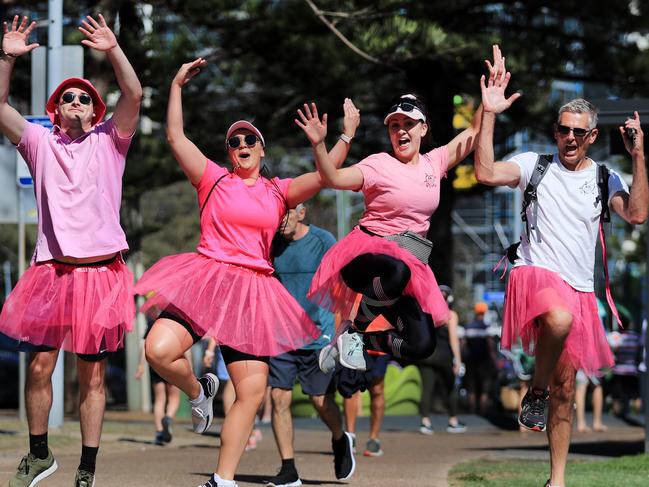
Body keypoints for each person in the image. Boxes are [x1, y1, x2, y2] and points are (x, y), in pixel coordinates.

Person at [135, 57, 359, 487]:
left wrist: (338, 137)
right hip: (206, 279)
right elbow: (175, 135)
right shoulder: (213, 180)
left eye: (249, 139)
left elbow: (328, 176)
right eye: (234, 139)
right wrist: (177, 85)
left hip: (251, 291)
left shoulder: (279, 191)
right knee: (158, 350)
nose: (241, 143)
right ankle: (199, 392)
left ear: (261, 150)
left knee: (252, 393)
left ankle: (223, 479)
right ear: (229, 152)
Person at [474, 61, 648, 487]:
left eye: (577, 132)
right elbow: (484, 172)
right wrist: (490, 114)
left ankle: (557, 480)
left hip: (581, 291)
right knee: (558, 319)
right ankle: (535, 392)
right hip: (533, 275)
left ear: (592, 136)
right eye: (561, 129)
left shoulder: (607, 177)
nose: (568, 138)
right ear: (555, 132)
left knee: (567, 390)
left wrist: (639, 155)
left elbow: (639, 214)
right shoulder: (535, 164)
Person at [297, 46, 505, 373]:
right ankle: (354, 327)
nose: (401, 131)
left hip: (408, 267)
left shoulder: (434, 162)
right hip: (365, 261)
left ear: (423, 128)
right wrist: (326, 142)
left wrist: (488, 105)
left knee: (422, 345)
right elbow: (332, 177)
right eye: (394, 125)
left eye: (408, 123)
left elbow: (475, 132)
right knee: (396, 270)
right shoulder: (379, 164)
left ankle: (360, 338)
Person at [0, 14, 142, 487]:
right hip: (52, 273)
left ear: (95, 111)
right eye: (67, 98)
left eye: (84, 98)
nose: (76, 102)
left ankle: (87, 468)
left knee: (93, 379)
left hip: (101, 275)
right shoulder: (39, 142)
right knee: (40, 366)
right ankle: (40, 455)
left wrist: (113, 49)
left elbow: (135, 94)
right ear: (55, 111)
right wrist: (7, 58)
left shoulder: (110, 141)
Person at [267, 203, 356, 486]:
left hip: (319, 335)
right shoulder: (270, 244)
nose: (281, 221)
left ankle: (340, 440)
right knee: (278, 398)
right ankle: (288, 468)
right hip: (281, 336)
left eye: (286, 214)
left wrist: (347, 327)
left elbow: (344, 283)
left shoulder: (323, 241)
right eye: (276, 215)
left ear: (301, 213)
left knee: (319, 400)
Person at [417, 285, 466, 434]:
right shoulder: (450, 314)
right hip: (444, 357)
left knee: (427, 389)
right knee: (451, 388)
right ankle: (453, 421)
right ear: (449, 298)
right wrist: (458, 360)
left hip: (427, 355)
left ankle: (425, 422)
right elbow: (453, 340)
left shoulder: (426, 312)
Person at [135, 320, 183, 446]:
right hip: (173, 362)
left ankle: (159, 433)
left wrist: (141, 366)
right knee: (174, 397)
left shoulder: (154, 323)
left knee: (159, 399)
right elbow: (185, 349)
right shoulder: (177, 323)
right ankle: (168, 417)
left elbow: (145, 344)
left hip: (155, 365)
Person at [343, 353, 390, 457]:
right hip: (355, 343)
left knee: (377, 389)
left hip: (379, 347)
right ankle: (350, 439)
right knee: (351, 387)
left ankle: (373, 440)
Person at [462, 302, 498, 414]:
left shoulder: (468, 327)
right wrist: (494, 360)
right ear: (485, 312)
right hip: (484, 361)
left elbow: (463, 345)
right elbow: (490, 346)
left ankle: (472, 411)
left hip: (471, 360)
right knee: (485, 387)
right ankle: (483, 411)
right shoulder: (487, 328)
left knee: (471, 387)